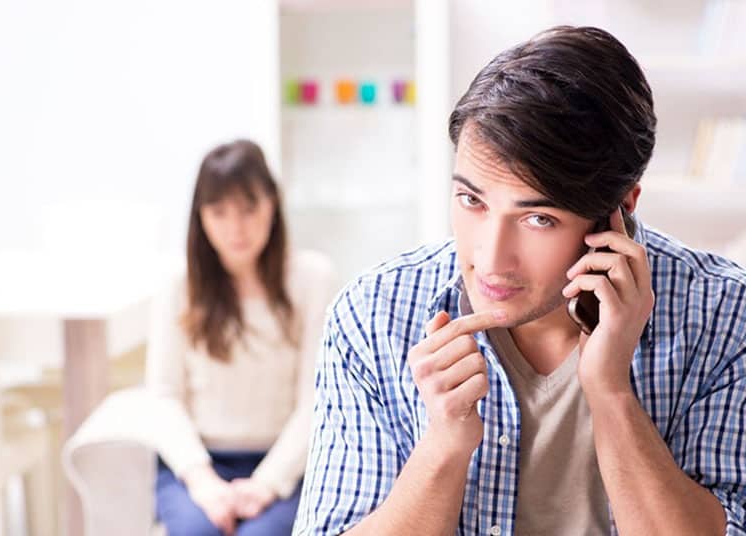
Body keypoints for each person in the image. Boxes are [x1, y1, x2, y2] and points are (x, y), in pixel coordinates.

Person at [293, 26, 746, 535]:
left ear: (619, 210)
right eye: (472, 201)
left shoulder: (723, 316)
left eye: (538, 220)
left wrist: (611, 394)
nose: (490, 257)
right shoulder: (372, 314)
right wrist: (442, 447)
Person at [145, 139, 335, 535]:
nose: (236, 229)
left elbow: (317, 400)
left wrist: (267, 483)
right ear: (200, 216)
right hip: (198, 464)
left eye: (248, 210)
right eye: (219, 212)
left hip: (288, 465)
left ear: (272, 204)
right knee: (197, 530)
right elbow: (163, 396)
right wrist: (202, 482)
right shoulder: (179, 286)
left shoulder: (313, 279)